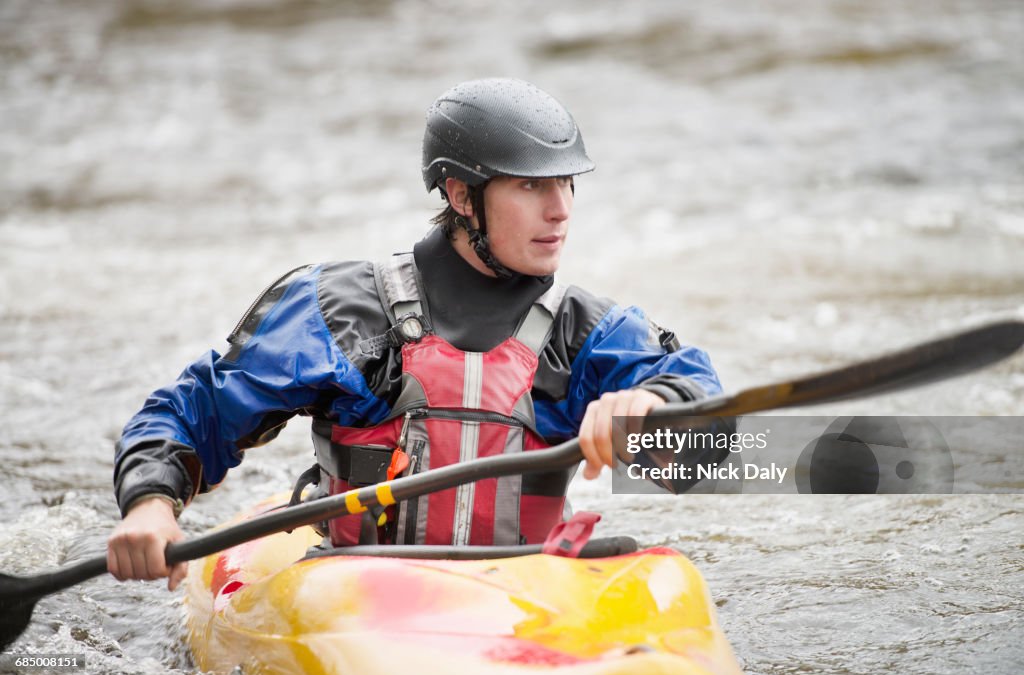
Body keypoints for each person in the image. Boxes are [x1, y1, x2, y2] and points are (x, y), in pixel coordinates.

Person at [106, 78, 724, 590]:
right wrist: (151, 505)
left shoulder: (585, 333)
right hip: (361, 592)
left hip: (526, 598)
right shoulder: (344, 316)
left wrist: (661, 406)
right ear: (462, 195)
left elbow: (715, 443)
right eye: (531, 184)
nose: (560, 209)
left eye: (566, 183)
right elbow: (192, 412)